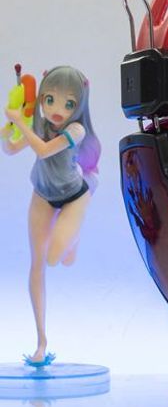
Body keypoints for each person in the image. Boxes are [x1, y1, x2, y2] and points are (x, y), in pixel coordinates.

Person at [1, 65, 100, 366]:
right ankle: (41, 341)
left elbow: (44, 151)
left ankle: (73, 236)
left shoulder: (76, 130)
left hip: (74, 196)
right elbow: (11, 149)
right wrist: (9, 127)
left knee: (58, 257)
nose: (57, 110)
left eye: (69, 103)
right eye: (50, 100)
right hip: (42, 195)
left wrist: (22, 122)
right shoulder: (39, 124)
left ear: (79, 106)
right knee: (38, 264)